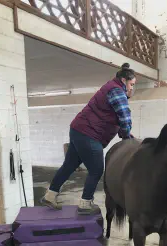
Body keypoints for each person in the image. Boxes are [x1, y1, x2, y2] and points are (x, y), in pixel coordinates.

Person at [41, 62, 137, 215]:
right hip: (89, 134)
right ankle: (85, 203)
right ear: (124, 80)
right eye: (131, 84)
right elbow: (125, 118)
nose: (132, 88)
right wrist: (126, 136)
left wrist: (126, 134)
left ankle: (50, 195)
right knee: (97, 169)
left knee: (69, 165)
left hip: (78, 130)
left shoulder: (111, 86)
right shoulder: (117, 91)